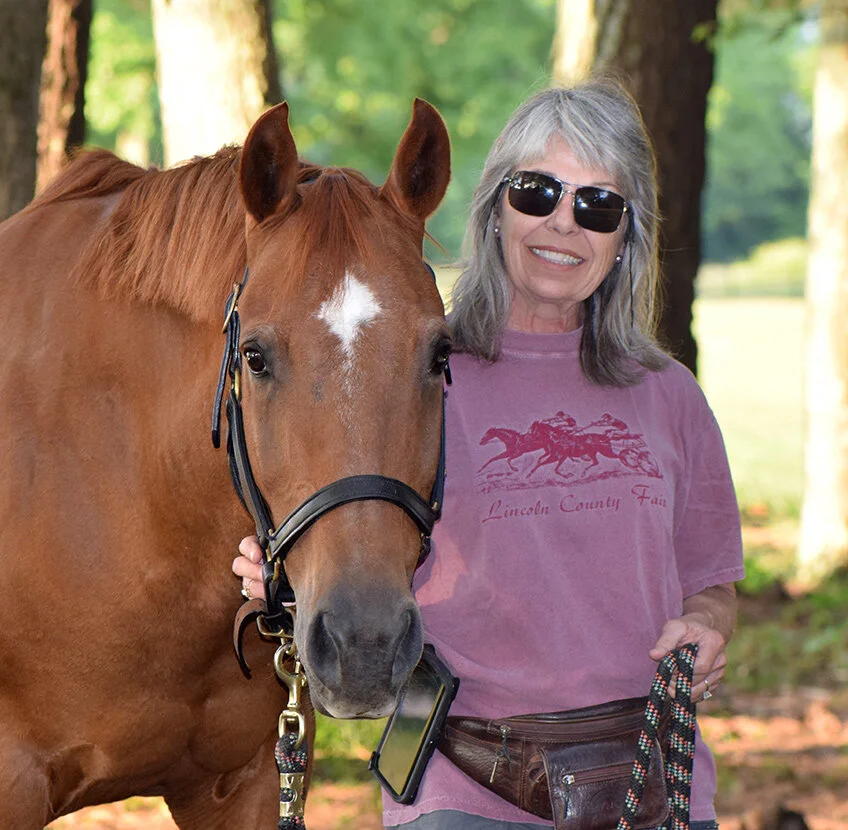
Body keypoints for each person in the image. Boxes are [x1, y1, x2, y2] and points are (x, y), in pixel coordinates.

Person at [232, 77, 744, 830]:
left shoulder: (671, 396)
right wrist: (287, 569)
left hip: (650, 785)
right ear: (496, 205)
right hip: (467, 789)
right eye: (538, 193)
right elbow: (347, 515)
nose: (563, 223)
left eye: (597, 206)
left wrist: (706, 626)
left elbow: (710, 582)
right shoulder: (421, 375)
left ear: (625, 237)